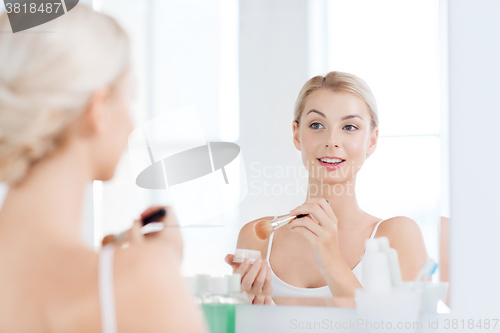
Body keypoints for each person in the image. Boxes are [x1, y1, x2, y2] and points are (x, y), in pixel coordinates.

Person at [0, 5, 207, 332]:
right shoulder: (138, 281)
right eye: (129, 97)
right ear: (98, 110)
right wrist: (155, 268)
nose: (130, 121)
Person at [225, 71, 428, 305]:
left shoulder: (396, 236)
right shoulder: (259, 237)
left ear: (371, 140)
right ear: (296, 134)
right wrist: (251, 312)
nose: (332, 140)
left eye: (350, 127)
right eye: (317, 125)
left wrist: (330, 257)